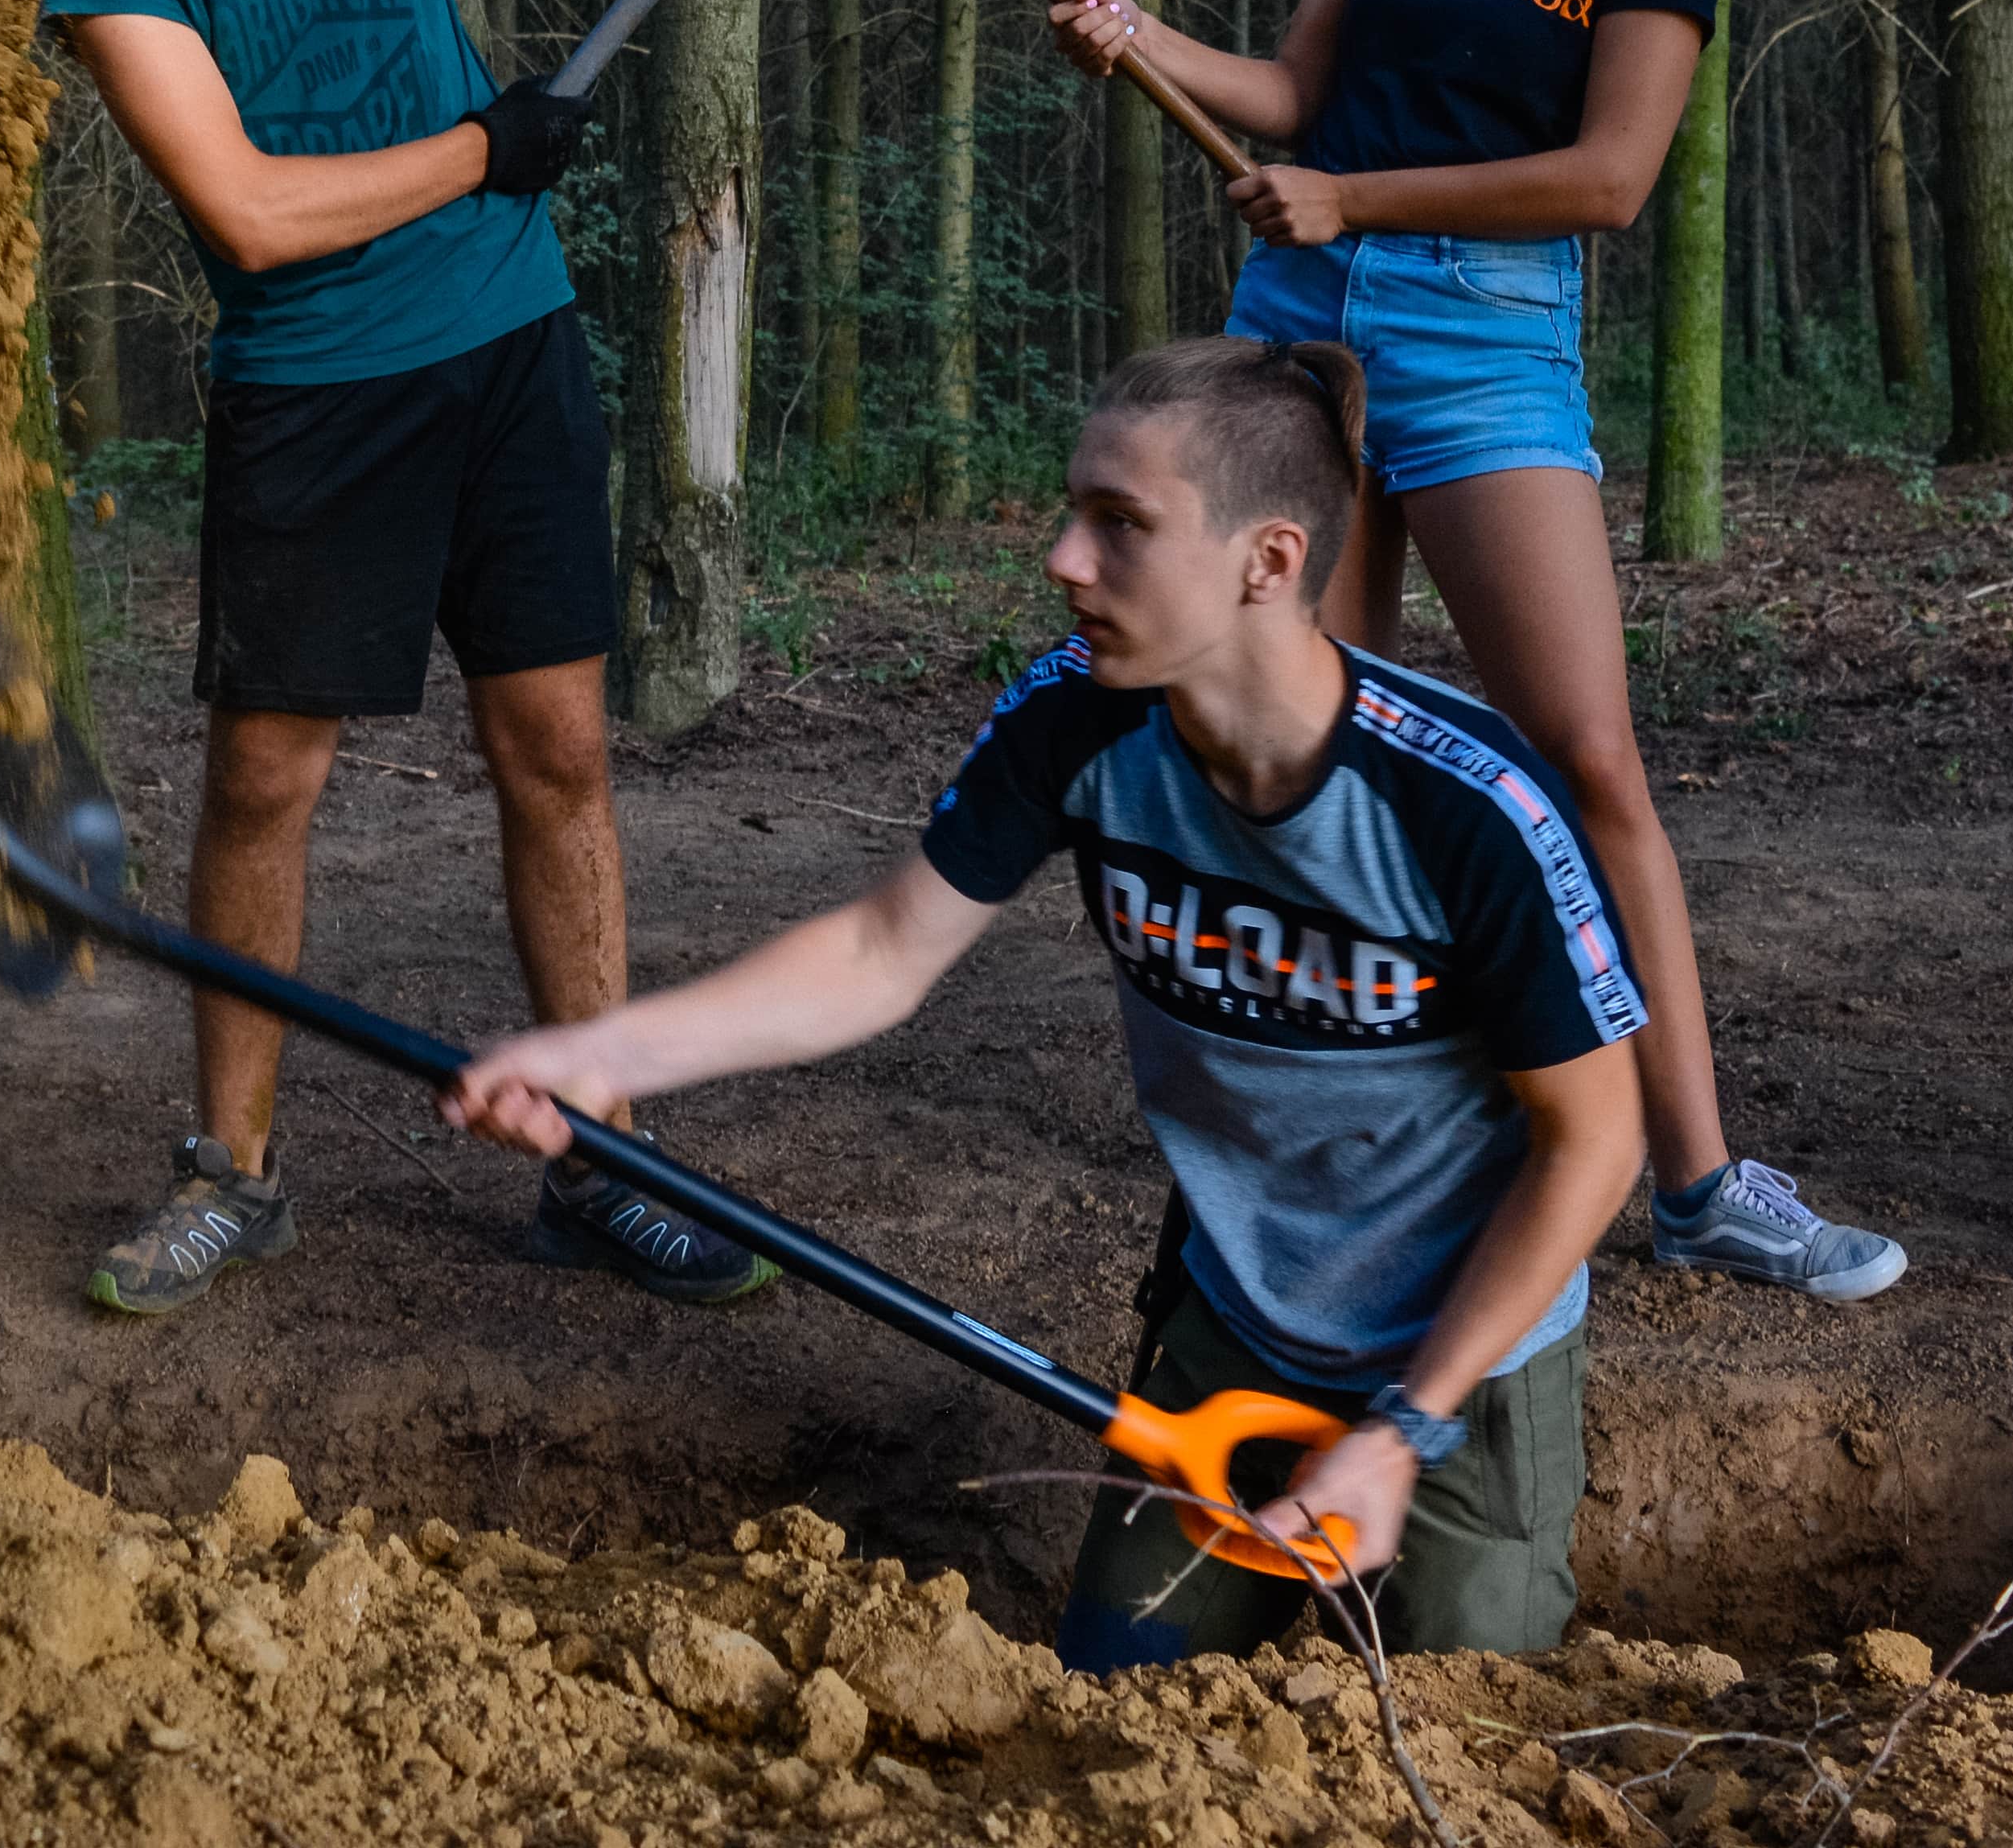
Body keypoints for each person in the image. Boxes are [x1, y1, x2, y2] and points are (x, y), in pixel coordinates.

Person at [446, 336, 1650, 1662]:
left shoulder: (1468, 807)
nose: (1064, 559)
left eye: (1121, 524)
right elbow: (879, 952)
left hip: (1461, 1349)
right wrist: (600, 1051)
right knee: (1110, 1705)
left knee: (1456, 1735)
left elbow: (1597, 1142)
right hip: (1236, 1314)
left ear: (1271, 559)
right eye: (1074, 512)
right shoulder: (1079, 714)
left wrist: (1405, 1430)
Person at [33, 0, 913, 1317]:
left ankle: (601, 1157)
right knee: (268, 774)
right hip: (316, 387)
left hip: (509, 338)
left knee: (560, 752)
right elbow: (253, 214)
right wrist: (480, 150)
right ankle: (233, 1170)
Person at [1044, 0, 1901, 1303]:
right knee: (1290, 753)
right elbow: (1292, 86)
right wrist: (1139, 36)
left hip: (1489, 335)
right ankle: (1355, 1139)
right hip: (1299, 331)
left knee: (1587, 759)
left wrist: (1365, 198)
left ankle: (1697, 1171)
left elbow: (1607, 175)